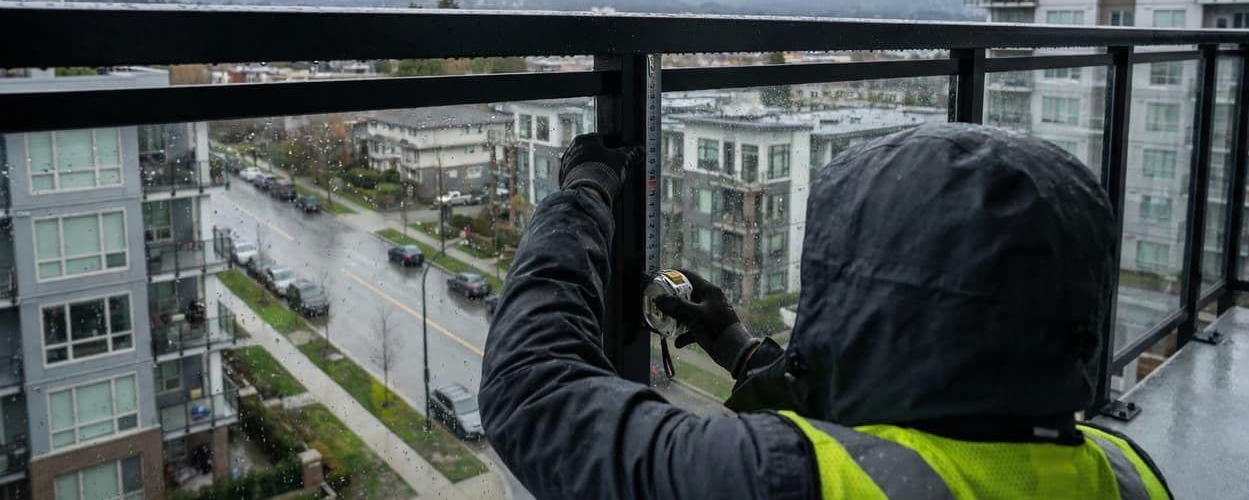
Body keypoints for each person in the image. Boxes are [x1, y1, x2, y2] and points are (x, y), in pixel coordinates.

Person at [480, 124, 1172, 499]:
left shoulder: (792, 477)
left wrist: (585, 194)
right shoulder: (1124, 470)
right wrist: (740, 349)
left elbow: (533, 391)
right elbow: (935, 397)